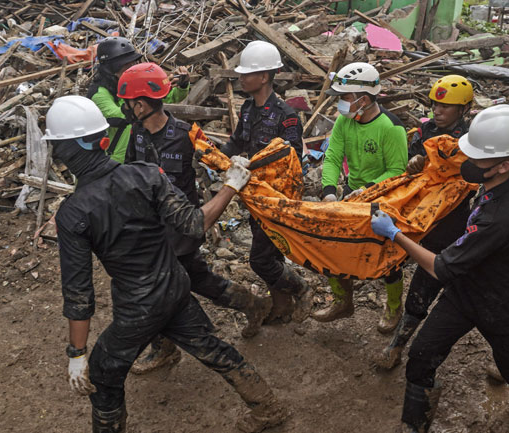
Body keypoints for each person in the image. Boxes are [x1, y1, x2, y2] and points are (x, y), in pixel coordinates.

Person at [47, 95, 287, 433]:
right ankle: (268, 408)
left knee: (102, 373)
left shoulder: (74, 214)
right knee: (208, 346)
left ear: (66, 150)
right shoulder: (145, 175)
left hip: (137, 306)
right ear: (101, 140)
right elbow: (193, 223)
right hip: (174, 285)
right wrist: (230, 185)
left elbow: (79, 295)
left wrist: (76, 353)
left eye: (56, 147)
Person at [371, 105, 509, 432]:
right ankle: (415, 424)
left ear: (504, 164)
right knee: (421, 356)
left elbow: (441, 268)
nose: (470, 163)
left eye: (478, 159)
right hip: (466, 292)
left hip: (503, 301)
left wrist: (395, 234)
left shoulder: (500, 219)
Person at [116, 62, 272, 374]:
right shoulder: (136, 134)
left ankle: (167, 348)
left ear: (141, 104)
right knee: (200, 280)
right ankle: (253, 304)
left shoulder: (188, 135)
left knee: (160, 290)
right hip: (152, 228)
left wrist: (238, 174)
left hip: (182, 228)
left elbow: (220, 162)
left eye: (127, 103)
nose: (125, 109)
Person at [375, 75, 476, 369]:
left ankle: (404, 344)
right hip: (422, 216)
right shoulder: (426, 129)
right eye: (435, 103)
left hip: (451, 222)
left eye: (446, 106)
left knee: (440, 286)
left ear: (464, 109)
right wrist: (415, 163)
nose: (438, 110)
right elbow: (414, 164)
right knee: (414, 278)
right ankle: (398, 339)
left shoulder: (471, 140)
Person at [220, 41, 313, 324]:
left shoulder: (286, 116)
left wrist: (254, 164)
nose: (241, 78)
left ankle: (301, 287)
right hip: (254, 195)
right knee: (268, 252)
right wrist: (214, 159)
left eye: (248, 74)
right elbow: (236, 141)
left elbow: (292, 158)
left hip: (277, 199)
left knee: (260, 259)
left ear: (264, 76)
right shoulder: (247, 109)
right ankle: (281, 305)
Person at [315, 62, 408, 333]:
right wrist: (329, 191)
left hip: (382, 198)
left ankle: (393, 305)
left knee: (387, 257)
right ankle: (342, 300)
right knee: (331, 247)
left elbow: (396, 171)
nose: (340, 104)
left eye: (344, 98)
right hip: (352, 195)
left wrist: (368, 189)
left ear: (363, 99)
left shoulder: (391, 128)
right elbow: (332, 156)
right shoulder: (346, 121)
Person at [87, 37, 190, 164]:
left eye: (133, 63)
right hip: (116, 161)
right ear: (112, 69)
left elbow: (168, 97)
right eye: (127, 65)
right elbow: (118, 116)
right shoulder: (99, 94)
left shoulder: (131, 82)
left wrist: (181, 85)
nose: (132, 68)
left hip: (141, 153)